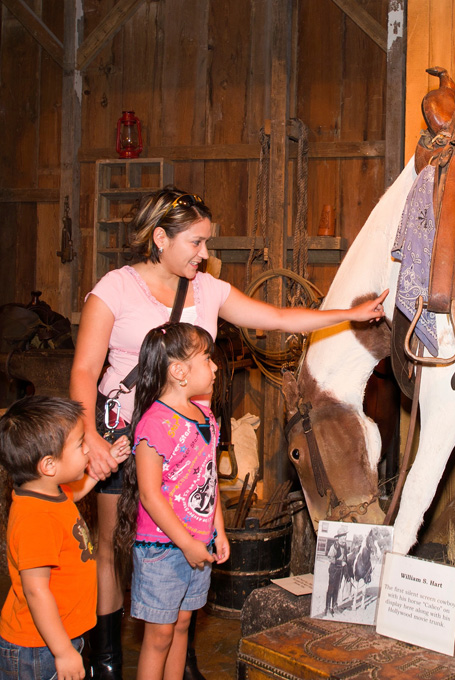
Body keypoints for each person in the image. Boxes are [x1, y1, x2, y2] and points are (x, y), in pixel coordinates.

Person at [69, 185, 389, 679]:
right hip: (119, 433)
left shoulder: (208, 291)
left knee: (189, 538)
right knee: (115, 542)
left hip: (186, 440)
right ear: (160, 238)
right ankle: (108, 659)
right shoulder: (114, 288)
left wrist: (347, 315)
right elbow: (86, 370)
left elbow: (278, 317)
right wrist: (87, 433)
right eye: (195, 243)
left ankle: (183, 654)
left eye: (206, 243)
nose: (205, 254)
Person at [113, 322, 229, 680]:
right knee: (159, 635)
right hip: (164, 548)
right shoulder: (155, 424)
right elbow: (149, 494)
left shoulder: (206, 415)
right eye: (207, 359)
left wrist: (218, 532)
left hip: (199, 544)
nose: (215, 367)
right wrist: (187, 544)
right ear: (179, 371)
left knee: (182, 627)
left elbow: (210, 480)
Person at [0, 396, 130, 680]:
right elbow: (36, 591)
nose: (87, 450)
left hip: (59, 636)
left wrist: (110, 460)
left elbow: (79, 491)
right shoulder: (36, 518)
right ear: (48, 465)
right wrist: (62, 651)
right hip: (37, 648)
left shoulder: (49, 492)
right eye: (80, 444)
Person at [325, 529, 349, 616]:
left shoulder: (345, 546)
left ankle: (334, 606)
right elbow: (330, 558)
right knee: (331, 589)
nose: (344, 539)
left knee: (337, 589)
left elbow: (345, 558)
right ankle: (327, 608)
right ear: (338, 538)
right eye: (343, 537)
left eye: (345, 537)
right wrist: (340, 562)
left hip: (340, 571)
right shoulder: (334, 546)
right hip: (333, 570)